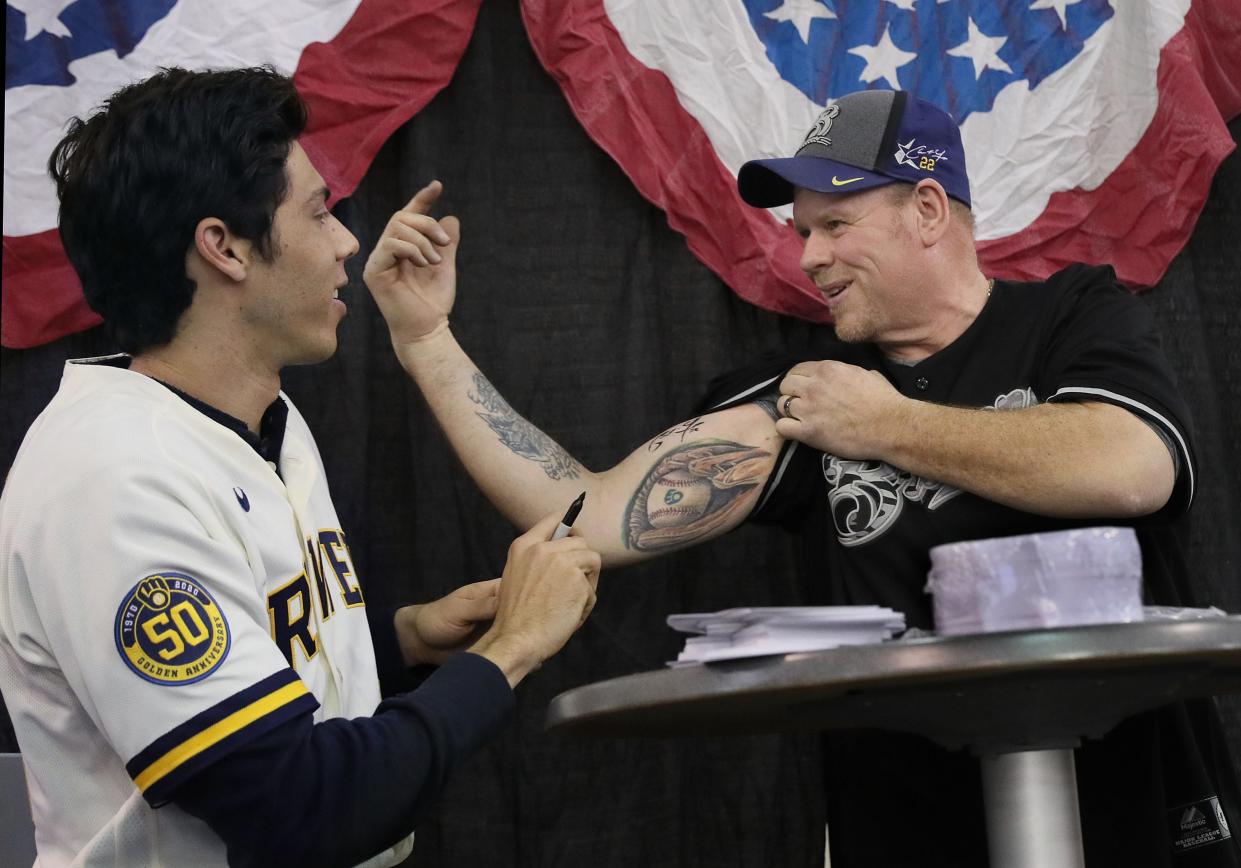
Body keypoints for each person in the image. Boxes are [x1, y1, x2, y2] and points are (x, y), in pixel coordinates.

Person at [363, 88, 1239, 866]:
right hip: (907, 832)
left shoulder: (1073, 316)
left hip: (1130, 816)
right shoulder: (801, 395)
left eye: (834, 225)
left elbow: (1134, 469)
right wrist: (424, 342)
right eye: (800, 233)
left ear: (928, 209)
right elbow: (574, 513)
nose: (808, 259)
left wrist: (885, 425)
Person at [0, 67, 602, 868]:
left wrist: (402, 641)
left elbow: (260, 689)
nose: (348, 239)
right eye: (318, 211)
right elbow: (297, 808)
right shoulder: (112, 480)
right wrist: (514, 646)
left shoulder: (260, 420)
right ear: (223, 248)